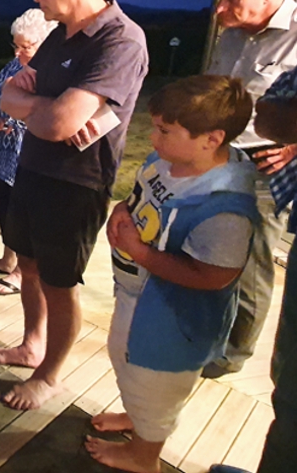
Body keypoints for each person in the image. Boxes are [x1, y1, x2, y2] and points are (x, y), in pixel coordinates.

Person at [0, 0, 149, 411]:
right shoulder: (59, 34)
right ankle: (31, 346)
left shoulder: (120, 40)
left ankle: (50, 375)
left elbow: (59, 124)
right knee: (31, 267)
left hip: (75, 184)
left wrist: (42, 111)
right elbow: (8, 98)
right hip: (32, 169)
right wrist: (47, 109)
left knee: (60, 283)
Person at [85, 75, 257, 473]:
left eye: (165, 130)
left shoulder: (223, 205)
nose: (153, 139)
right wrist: (121, 210)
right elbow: (139, 197)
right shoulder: (170, 162)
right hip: (138, 297)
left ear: (211, 139)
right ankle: (138, 420)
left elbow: (213, 276)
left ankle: (144, 456)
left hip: (173, 320)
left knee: (156, 383)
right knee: (125, 360)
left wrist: (139, 252)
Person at [203, 0, 297, 377]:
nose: (220, 9)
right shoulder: (232, 35)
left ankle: (234, 353)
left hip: (266, 168)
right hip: (218, 158)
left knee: (253, 263)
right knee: (211, 247)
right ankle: (206, 331)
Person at [0, 9, 57, 296]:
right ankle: (8, 260)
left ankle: (22, 272)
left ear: (44, 42)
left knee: (26, 215)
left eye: (26, 47)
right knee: (6, 209)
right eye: (16, 45)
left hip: (32, 158)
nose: (19, 52)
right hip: (4, 156)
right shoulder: (12, 67)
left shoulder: (53, 74)